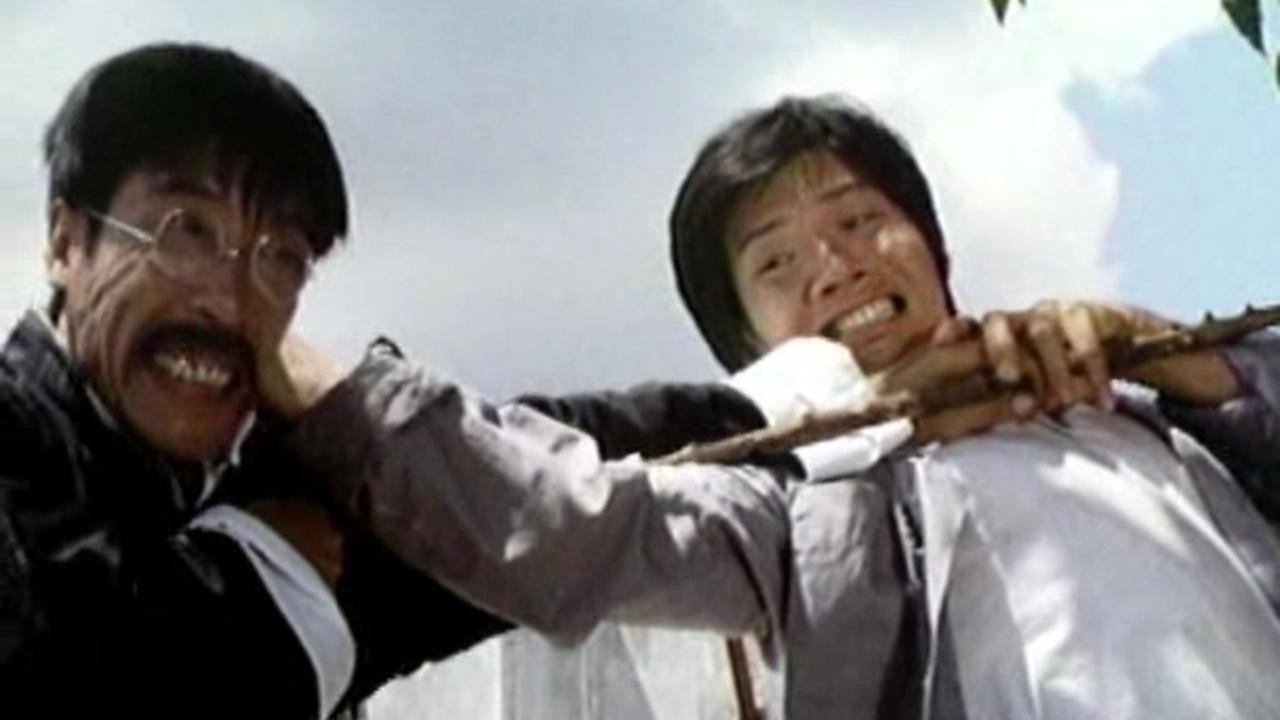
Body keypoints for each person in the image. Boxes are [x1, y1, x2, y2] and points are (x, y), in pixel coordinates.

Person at [265, 96, 1280, 719]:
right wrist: (323, 384)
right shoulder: (810, 515)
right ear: (750, 344)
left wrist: (1175, 355)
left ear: (933, 250)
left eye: (861, 221)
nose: (837, 266)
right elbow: (572, 528)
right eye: (777, 262)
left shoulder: (1140, 418)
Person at [0, 42, 535, 718]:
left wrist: (360, 426)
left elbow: (505, 496)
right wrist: (260, 572)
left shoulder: (284, 491)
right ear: (66, 242)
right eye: (188, 231)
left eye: (280, 257)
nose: (228, 302)